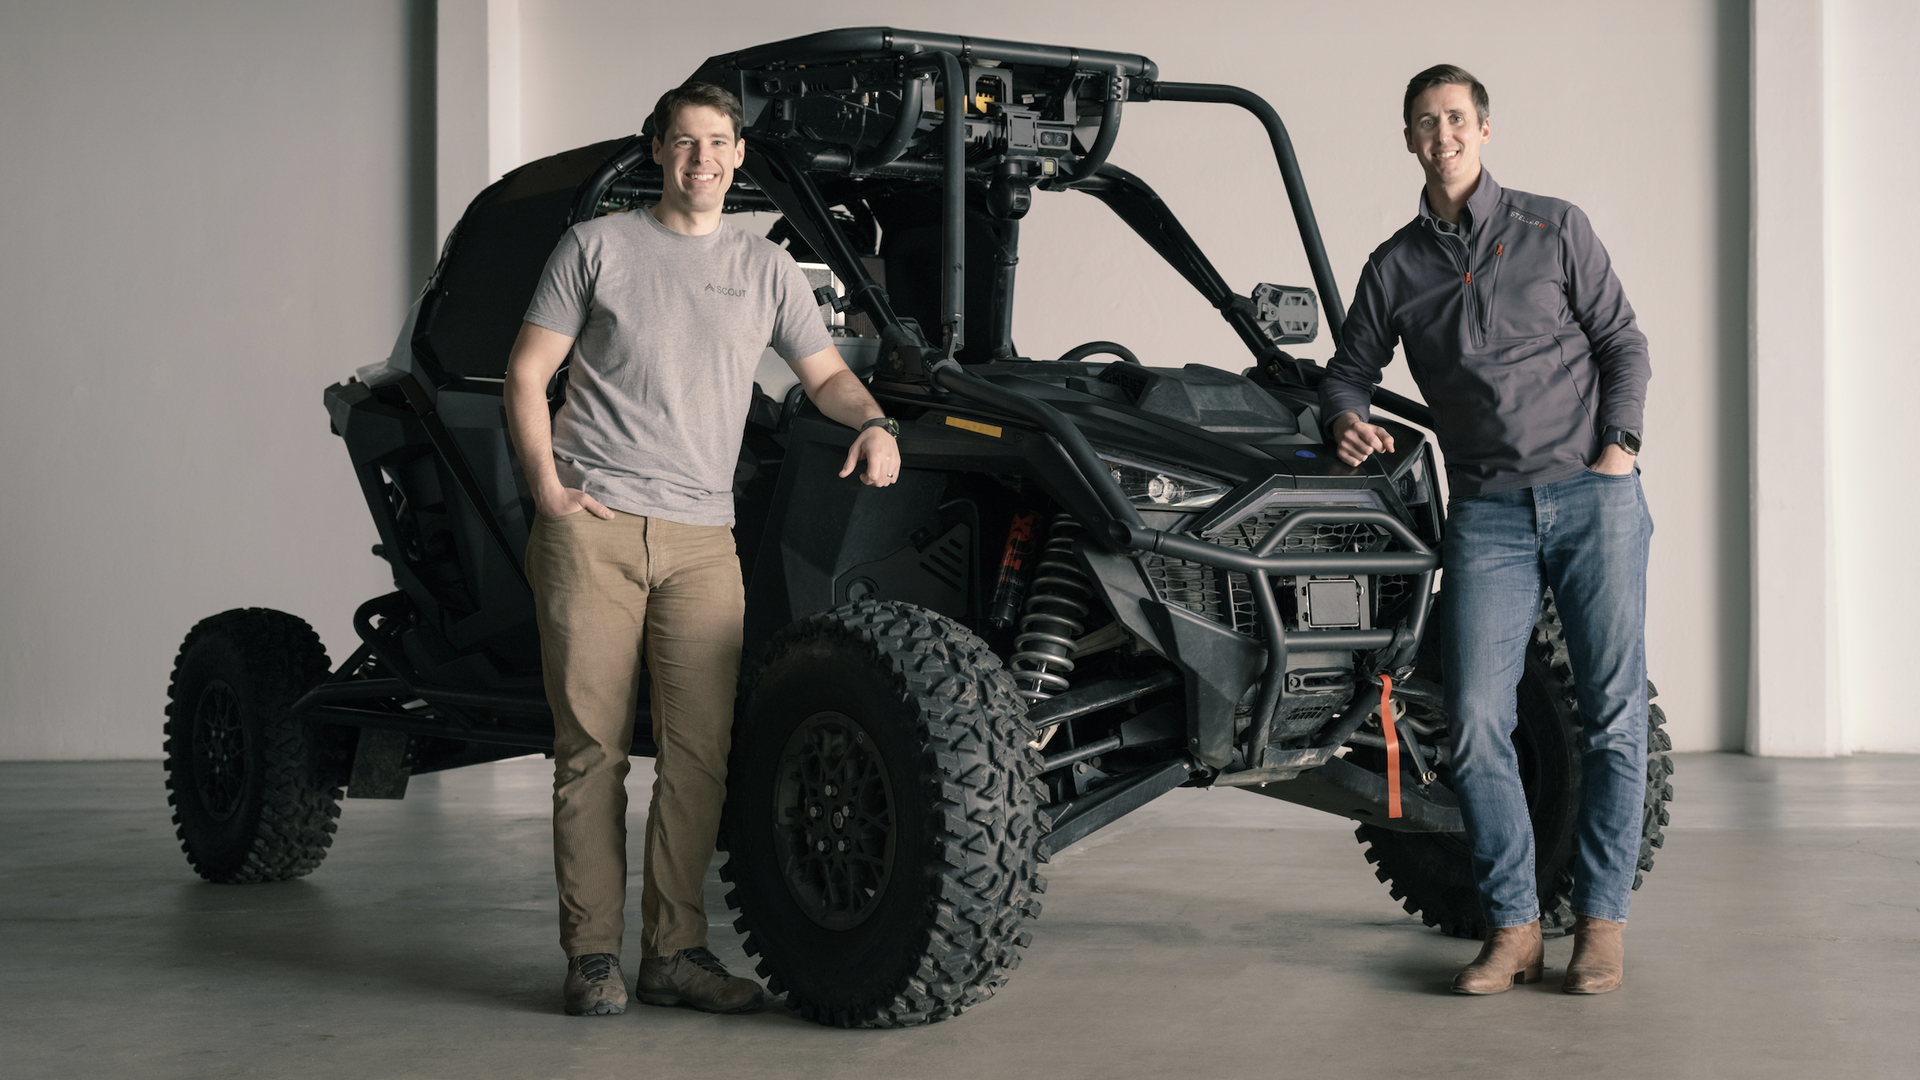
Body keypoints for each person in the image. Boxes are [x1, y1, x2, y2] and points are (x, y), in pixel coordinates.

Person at [502, 81, 902, 1017]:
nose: (703, 160)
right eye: (685, 143)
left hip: (701, 541)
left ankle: (674, 953)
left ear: (738, 155)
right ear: (656, 150)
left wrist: (877, 423)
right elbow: (527, 375)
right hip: (593, 532)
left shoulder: (764, 268)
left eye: (718, 143)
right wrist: (548, 496)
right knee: (592, 751)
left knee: (701, 757)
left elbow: (830, 377)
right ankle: (593, 956)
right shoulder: (595, 247)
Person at [1319, 64, 1653, 995]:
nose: (1443, 136)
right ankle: (1513, 927)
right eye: (1425, 123)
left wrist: (1618, 447)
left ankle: (1601, 925)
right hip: (1488, 514)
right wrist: (1341, 416)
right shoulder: (1395, 265)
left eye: (1457, 119)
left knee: (1615, 715)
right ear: (1409, 140)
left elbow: (1623, 340)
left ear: (1486, 130)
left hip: (1595, 498)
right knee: (1470, 720)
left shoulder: (1555, 227)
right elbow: (1347, 372)